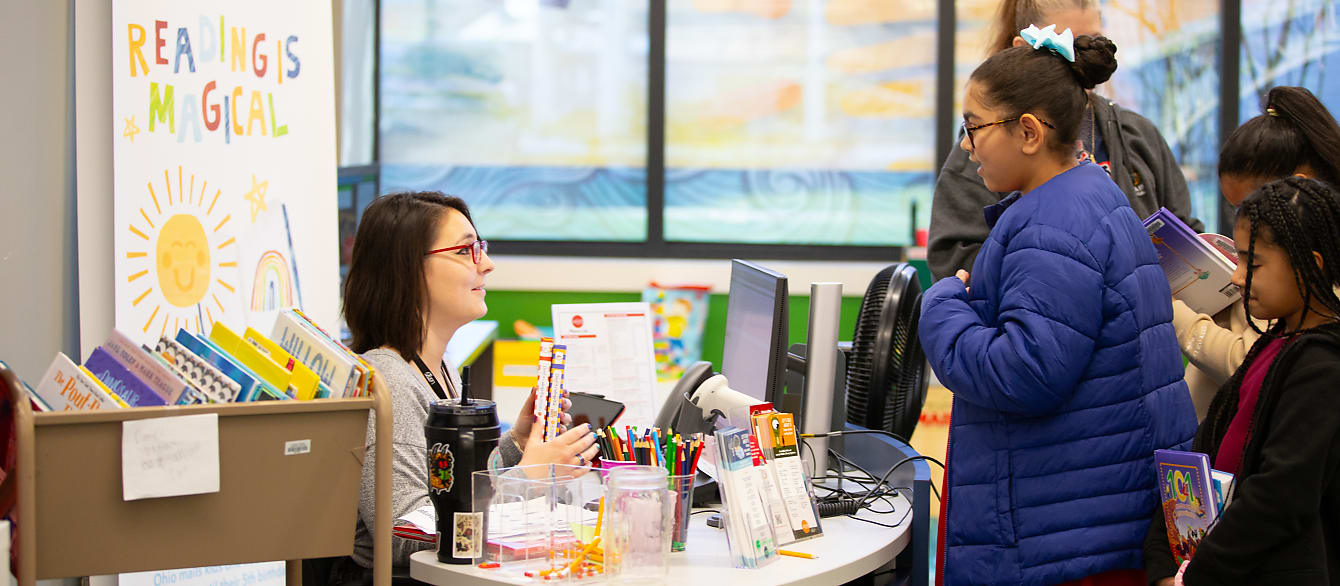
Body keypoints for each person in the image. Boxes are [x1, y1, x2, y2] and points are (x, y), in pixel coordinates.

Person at [918, 27, 1196, 585]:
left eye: (973, 127)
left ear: (1028, 132)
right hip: (1090, 519)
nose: (967, 146)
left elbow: (1024, 372)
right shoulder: (1091, 196)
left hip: (1060, 538)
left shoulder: (1053, 226)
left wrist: (943, 304)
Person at [335, 192, 600, 579]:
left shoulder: (435, 366)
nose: (487, 265)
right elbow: (402, 532)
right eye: (465, 251)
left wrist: (517, 445)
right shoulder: (387, 379)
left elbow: (452, 490)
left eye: (481, 249)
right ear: (407, 268)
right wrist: (527, 479)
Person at [1144, 177, 1340, 585]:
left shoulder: (1322, 366)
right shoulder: (1273, 345)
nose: (1236, 277)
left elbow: (1280, 497)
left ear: (1311, 266)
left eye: (1253, 263)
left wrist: (1193, 576)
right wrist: (1165, 561)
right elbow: (1203, 456)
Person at [927, 0, 1202, 282]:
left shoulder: (1138, 135)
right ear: (1024, 49)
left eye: (1093, 42)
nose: (1082, 60)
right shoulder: (986, 148)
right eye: (1066, 48)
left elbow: (1184, 232)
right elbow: (954, 265)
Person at [1172, 86, 1340, 419]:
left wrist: (1177, 315)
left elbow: (1259, 361)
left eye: (1251, 206)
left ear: (1297, 189)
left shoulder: (1315, 273)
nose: (1240, 274)